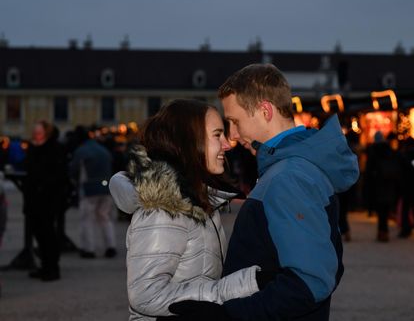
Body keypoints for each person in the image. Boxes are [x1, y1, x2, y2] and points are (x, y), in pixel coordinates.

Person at [168, 63, 359, 320]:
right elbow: (326, 267)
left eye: (235, 121)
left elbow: (308, 282)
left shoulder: (289, 177)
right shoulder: (291, 168)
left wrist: (227, 315)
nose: (232, 135)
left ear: (265, 111)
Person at [109, 99, 262, 320]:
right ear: (187, 142)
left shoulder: (197, 198)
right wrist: (239, 285)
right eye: (217, 135)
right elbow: (146, 296)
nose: (228, 144)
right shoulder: (164, 211)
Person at [23, 120, 68, 281]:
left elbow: (55, 174)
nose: (35, 134)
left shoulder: (54, 149)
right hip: (34, 200)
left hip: (48, 200)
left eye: (39, 131)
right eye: (34, 131)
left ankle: (52, 268)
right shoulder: (33, 148)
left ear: (46, 132)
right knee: (39, 235)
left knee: (48, 235)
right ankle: (44, 266)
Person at [70, 126, 117, 258]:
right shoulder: (103, 150)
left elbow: (73, 170)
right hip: (106, 188)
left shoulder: (81, 151)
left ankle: (88, 249)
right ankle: (110, 246)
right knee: (105, 217)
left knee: (87, 219)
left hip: (89, 189)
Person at [363, 131, 402, 242]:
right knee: (385, 209)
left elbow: (369, 169)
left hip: (377, 184)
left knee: (381, 211)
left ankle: (382, 232)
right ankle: (384, 232)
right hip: (388, 183)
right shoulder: (390, 150)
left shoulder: (373, 150)